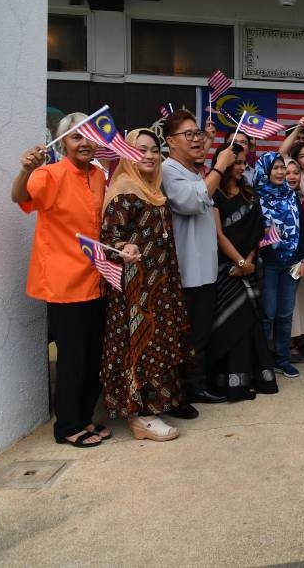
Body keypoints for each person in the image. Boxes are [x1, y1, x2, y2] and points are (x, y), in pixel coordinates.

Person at [12, 113, 111, 447]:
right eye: (75, 137)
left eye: (88, 136)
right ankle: (67, 426)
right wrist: (26, 168)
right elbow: (19, 197)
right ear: (63, 143)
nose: (84, 143)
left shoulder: (99, 175)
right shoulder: (49, 173)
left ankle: (84, 418)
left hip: (97, 279)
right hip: (64, 283)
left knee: (95, 355)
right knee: (73, 358)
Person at [99, 129, 191, 441]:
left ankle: (153, 408)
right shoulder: (124, 190)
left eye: (154, 149)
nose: (149, 155)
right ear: (127, 154)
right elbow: (109, 238)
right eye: (141, 149)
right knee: (139, 346)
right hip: (136, 287)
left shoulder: (154, 189)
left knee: (158, 345)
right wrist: (123, 247)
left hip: (161, 285)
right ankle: (140, 417)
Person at [162, 109, 235, 415]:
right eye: (188, 135)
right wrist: (219, 166)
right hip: (185, 270)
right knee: (183, 334)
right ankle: (178, 394)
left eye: (198, 134)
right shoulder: (167, 170)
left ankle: (197, 385)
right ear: (170, 141)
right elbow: (192, 202)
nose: (196, 140)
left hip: (204, 269)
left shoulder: (193, 170)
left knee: (200, 333)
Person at [209, 146, 278, 400]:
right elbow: (218, 235)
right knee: (231, 323)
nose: (240, 167)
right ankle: (232, 382)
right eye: (236, 162)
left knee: (250, 323)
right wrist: (238, 263)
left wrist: (248, 262)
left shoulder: (250, 194)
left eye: (242, 162)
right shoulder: (214, 193)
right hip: (225, 268)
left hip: (248, 266)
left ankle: (256, 377)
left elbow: (257, 232)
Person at [254, 153, 304, 378]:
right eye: (274, 168)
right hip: (268, 264)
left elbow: (302, 229)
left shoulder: (292, 195)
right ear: (266, 172)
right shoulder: (257, 197)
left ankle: (282, 359)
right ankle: (262, 361)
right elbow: (251, 232)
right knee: (268, 314)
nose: (279, 172)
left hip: (292, 263)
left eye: (281, 168)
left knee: (285, 314)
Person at [284, 159, 304, 358]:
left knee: (303, 298)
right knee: (289, 302)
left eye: (296, 172)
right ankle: (289, 340)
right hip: (285, 256)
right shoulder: (275, 198)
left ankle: (303, 336)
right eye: (287, 172)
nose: (292, 176)